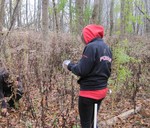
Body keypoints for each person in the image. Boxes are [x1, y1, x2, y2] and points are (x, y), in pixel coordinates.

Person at [62, 24, 112, 128]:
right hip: (102, 91)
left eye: (84, 37)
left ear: (88, 35)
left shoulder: (91, 47)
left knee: (86, 124)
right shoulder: (107, 48)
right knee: (93, 122)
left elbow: (81, 70)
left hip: (89, 93)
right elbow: (106, 69)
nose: (84, 41)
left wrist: (69, 65)